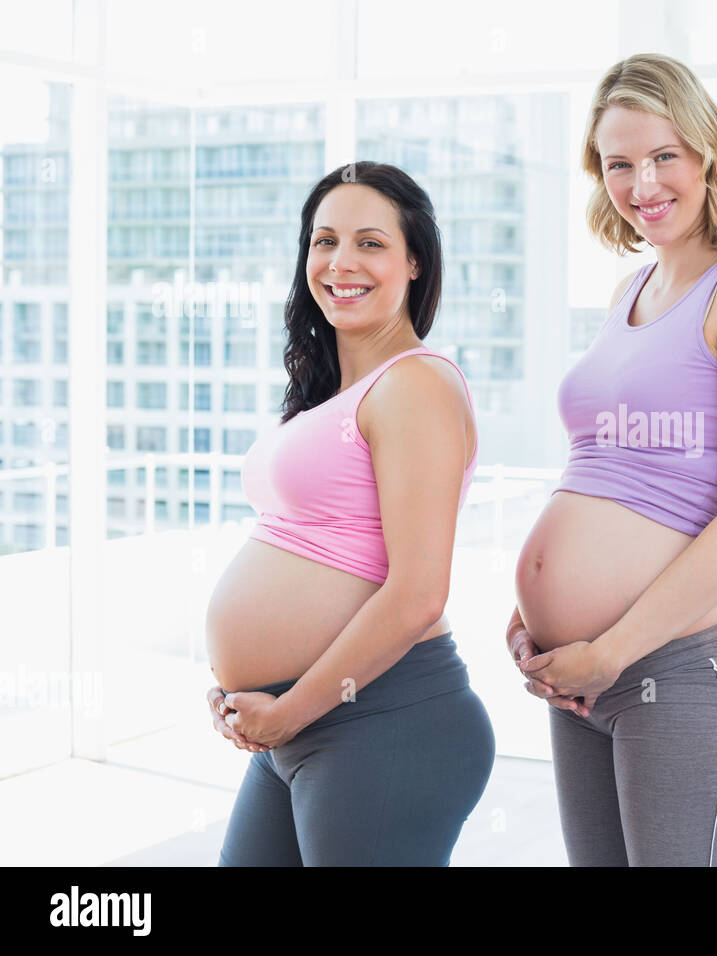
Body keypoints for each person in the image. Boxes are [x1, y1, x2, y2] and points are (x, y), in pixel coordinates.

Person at [507, 53, 717, 866]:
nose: (642, 183)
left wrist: (608, 650)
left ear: (707, 153)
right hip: (580, 680)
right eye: (618, 163)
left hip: (674, 670)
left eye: (663, 155)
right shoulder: (627, 293)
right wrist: (532, 620)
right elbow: (601, 469)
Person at [204, 161, 494, 866]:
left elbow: (419, 594)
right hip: (299, 724)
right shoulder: (334, 394)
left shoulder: (416, 384)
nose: (341, 262)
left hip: (383, 722)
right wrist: (247, 690)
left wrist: (286, 708)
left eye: (371, 243)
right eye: (325, 241)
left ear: (415, 261)